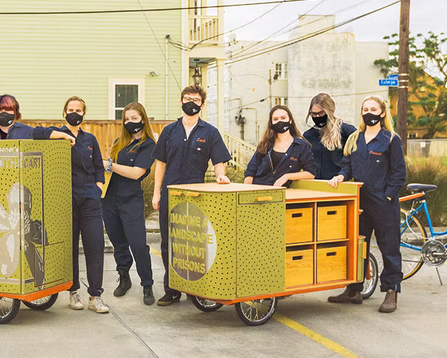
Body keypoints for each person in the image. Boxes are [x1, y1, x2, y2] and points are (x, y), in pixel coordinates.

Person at [152, 85, 232, 306]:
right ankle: (171, 289)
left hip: (197, 194)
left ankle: (194, 288)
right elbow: (160, 163)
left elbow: (219, 161)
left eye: (195, 100)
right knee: (169, 241)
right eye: (187, 98)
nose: (191, 103)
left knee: (195, 242)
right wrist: (156, 193)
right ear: (181, 102)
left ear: (202, 105)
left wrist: (221, 176)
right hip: (170, 192)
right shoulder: (169, 131)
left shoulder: (210, 132)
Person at [328, 95, 406, 313]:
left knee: (389, 249)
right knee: (357, 247)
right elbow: (347, 166)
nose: (368, 113)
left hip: (384, 205)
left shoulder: (391, 139)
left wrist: (388, 196)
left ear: (382, 113)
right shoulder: (355, 138)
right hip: (360, 203)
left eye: (373, 109)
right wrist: (341, 176)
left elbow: (399, 173)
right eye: (365, 109)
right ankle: (354, 289)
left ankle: (391, 291)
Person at [33, 96, 109, 314]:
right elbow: (36, 133)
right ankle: (73, 291)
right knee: (70, 248)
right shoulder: (56, 136)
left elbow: (98, 167)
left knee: (95, 246)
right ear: (64, 112)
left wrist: (98, 187)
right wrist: (62, 135)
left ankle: (95, 296)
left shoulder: (90, 139)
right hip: (65, 201)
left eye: (78, 110)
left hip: (90, 199)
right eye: (70, 109)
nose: (74, 113)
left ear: (84, 114)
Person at [102, 102, 156, 305]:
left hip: (131, 200)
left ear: (143, 119)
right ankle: (124, 277)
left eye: (134, 118)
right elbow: (110, 169)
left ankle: (147, 284)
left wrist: (110, 165)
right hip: (110, 200)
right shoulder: (119, 142)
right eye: (126, 119)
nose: (130, 122)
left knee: (138, 244)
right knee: (118, 243)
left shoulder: (148, 144)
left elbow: (136, 173)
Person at [244, 105, 317, 187]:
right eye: (275, 119)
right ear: (271, 123)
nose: (280, 121)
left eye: (283, 118)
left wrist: (287, 176)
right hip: (259, 190)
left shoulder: (301, 146)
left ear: (290, 120)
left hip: (283, 191)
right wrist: (246, 190)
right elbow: (251, 171)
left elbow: (311, 173)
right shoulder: (265, 144)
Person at [303, 93, 357, 180]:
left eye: (321, 113)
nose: (317, 117)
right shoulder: (308, 135)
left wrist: (343, 175)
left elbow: (354, 160)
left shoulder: (347, 132)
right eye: (314, 114)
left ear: (330, 111)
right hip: (315, 183)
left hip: (339, 183)